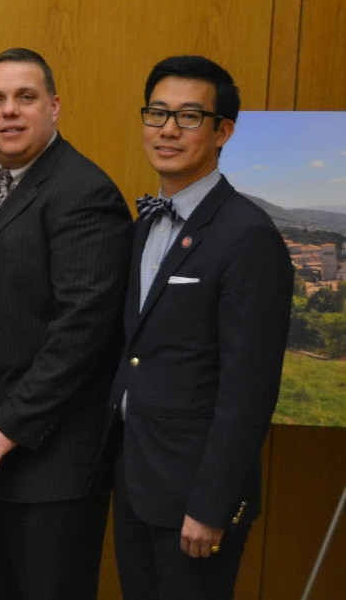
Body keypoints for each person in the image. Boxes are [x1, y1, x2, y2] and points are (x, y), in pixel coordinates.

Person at [106, 56, 291, 600]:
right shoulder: (147, 224)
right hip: (136, 479)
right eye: (157, 113)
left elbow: (249, 390)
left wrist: (212, 506)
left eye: (188, 116)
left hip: (195, 498)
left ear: (222, 132)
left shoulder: (248, 236)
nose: (167, 130)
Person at [0, 47, 132, 600]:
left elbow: (82, 330)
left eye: (25, 97)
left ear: (54, 107)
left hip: (48, 465)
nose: (9, 110)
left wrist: (8, 425)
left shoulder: (85, 192)